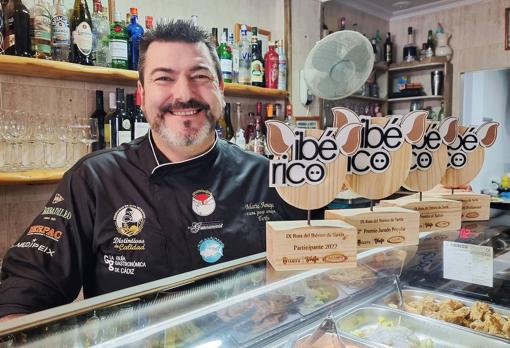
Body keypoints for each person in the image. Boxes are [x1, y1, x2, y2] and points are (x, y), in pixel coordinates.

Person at [0, 20, 304, 320]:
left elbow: (312, 275)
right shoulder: (94, 179)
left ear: (220, 90)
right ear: (142, 95)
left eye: (199, 76)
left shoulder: (270, 176)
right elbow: (27, 289)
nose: (184, 94)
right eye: (164, 78)